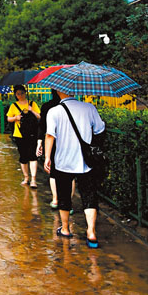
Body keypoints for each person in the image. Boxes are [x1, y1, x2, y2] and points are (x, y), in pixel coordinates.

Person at [44, 91, 106, 248]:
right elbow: (100, 129)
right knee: (89, 195)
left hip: (63, 161)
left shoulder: (54, 111)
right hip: (86, 162)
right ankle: (91, 232)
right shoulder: (89, 108)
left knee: (64, 195)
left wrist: (47, 157)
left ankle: (65, 229)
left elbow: (50, 135)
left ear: (58, 91)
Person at [37, 89, 74, 210]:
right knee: (70, 173)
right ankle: (69, 203)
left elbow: (43, 127)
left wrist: (40, 143)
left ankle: (55, 199)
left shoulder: (48, 107)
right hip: (70, 142)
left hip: (53, 143)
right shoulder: (76, 106)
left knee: (53, 172)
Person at [7, 85, 41, 187]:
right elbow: (9, 118)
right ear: (15, 95)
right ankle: (26, 177)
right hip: (19, 134)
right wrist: (15, 118)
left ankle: (33, 179)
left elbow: (39, 117)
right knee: (23, 157)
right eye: (18, 94)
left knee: (33, 156)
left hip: (31, 134)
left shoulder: (32, 104)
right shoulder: (13, 105)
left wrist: (32, 110)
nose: (20, 95)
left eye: (22, 93)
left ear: (25, 93)